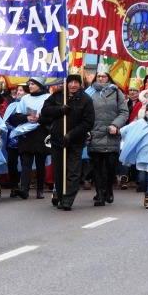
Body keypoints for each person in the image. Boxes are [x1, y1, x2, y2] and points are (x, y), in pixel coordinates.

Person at [40, 69, 94, 210]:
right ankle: (60, 194)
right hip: (57, 140)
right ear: (67, 83)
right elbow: (44, 112)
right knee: (59, 170)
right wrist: (59, 110)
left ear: (80, 84)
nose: (73, 85)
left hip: (75, 141)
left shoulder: (86, 99)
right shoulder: (58, 96)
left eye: (76, 82)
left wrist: (71, 134)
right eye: (71, 82)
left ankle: (68, 199)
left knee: (73, 171)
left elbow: (88, 122)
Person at [86, 65, 129, 206]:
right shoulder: (89, 92)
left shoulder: (117, 93)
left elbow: (124, 112)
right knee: (97, 167)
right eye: (99, 76)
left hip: (111, 135)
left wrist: (116, 125)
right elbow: (84, 113)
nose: (101, 78)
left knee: (110, 167)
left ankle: (109, 189)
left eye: (104, 76)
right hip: (95, 135)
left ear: (108, 77)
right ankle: (99, 194)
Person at [7, 77, 50, 199]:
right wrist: (27, 118)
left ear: (40, 85)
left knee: (40, 163)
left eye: (33, 84)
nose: (30, 86)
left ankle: (40, 189)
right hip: (26, 134)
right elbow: (16, 117)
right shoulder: (25, 99)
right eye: (29, 84)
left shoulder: (47, 97)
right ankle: (24, 189)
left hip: (41, 132)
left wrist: (40, 118)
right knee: (26, 162)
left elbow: (52, 116)